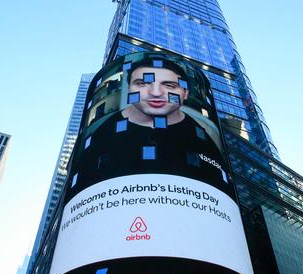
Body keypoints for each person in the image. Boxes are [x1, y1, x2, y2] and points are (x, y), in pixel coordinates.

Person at [67, 56, 233, 199]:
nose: (155, 92)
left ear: (185, 93)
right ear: (129, 88)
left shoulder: (204, 135)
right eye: (142, 83)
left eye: (169, 85)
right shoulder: (102, 134)